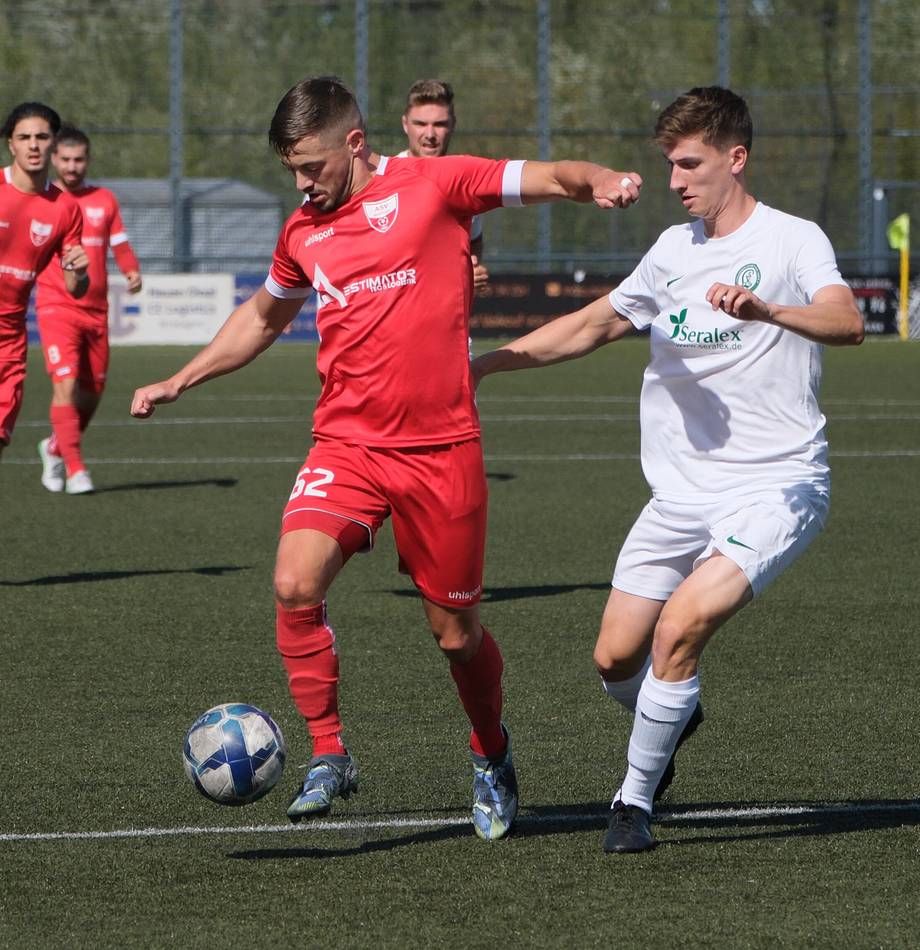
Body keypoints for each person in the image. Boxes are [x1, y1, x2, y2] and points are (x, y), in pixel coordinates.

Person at [130, 76, 641, 840]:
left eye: (311, 166)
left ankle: (491, 752)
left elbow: (540, 178)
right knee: (293, 582)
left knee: (456, 637)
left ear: (356, 144)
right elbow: (264, 317)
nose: (302, 185)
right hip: (348, 444)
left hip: (442, 452)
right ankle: (330, 752)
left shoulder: (435, 183)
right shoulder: (303, 231)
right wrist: (183, 376)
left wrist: (594, 180)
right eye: (291, 172)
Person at [471, 86, 864, 853]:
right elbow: (593, 325)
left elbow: (845, 320)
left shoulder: (794, 239)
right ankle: (671, 711)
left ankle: (633, 804)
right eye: (670, 164)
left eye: (691, 163)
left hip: (776, 486)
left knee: (678, 630)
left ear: (735, 158)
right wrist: (483, 366)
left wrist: (766, 310)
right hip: (682, 494)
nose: (678, 179)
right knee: (615, 657)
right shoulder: (671, 251)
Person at [35, 125, 142, 495]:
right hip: (56, 307)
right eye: (64, 159)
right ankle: (76, 469)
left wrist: (130, 270)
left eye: (78, 159)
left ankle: (54, 447)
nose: (71, 166)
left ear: (88, 160)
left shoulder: (104, 200)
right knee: (64, 384)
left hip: (97, 312)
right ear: (53, 160)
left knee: (92, 392)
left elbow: (120, 243)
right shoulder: (44, 203)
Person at [0, 102, 88, 461]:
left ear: (53, 144)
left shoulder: (65, 208)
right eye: (24, 137)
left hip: (9, 336)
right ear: (11, 145)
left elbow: (74, 287)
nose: (33, 145)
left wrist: (80, 271)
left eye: (41, 136)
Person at [398, 79, 488, 293]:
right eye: (420, 124)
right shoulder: (382, 182)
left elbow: (474, 241)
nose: (430, 135)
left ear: (453, 124)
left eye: (439, 124)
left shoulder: (466, 182)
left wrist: (470, 272)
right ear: (405, 124)